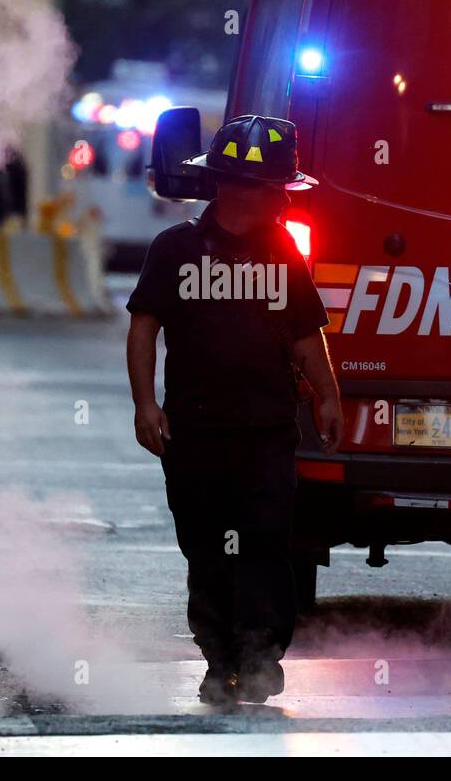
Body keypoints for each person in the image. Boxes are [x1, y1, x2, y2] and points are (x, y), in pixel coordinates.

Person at [126, 114, 343, 706]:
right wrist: (146, 405)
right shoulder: (175, 249)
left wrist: (327, 396)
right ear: (233, 188)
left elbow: (305, 336)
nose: (275, 202)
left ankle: (259, 656)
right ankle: (219, 659)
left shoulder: (284, 253)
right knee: (206, 545)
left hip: (269, 431)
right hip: (194, 433)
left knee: (266, 541)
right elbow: (144, 327)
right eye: (270, 190)